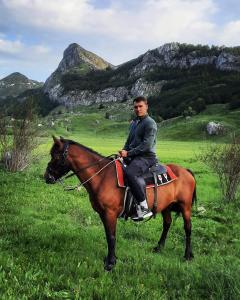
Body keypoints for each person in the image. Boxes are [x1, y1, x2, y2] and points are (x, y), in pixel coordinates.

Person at [119, 96, 158, 221]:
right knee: (114, 166)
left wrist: (128, 154)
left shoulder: (150, 123)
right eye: (135, 107)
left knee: (130, 173)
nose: (138, 109)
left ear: (146, 106)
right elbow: (128, 141)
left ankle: (144, 207)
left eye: (140, 106)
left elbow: (146, 145)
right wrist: (123, 151)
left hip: (146, 157)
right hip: (133, 155)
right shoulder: (135, 123)